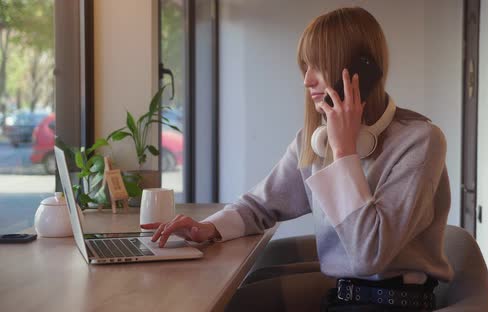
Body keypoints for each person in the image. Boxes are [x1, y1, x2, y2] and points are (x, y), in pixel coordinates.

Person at [142, 6, 453, 312]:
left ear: (359, 70)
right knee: (227, 301)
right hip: (342, 295)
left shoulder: (420, 141)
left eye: (317, 65)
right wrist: (206, 228)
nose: (306, 80)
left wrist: (344, 153)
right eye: (305, 66)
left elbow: (369, 254)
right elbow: (259, 205)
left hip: (397, 302)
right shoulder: (314, 141)